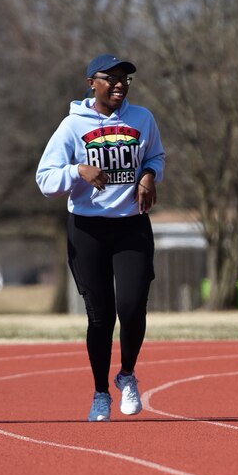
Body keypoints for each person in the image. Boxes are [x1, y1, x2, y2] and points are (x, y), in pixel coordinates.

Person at [36, 53, 165, 422]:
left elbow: (156, 156)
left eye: (125, 79)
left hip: (131, 225)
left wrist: (148, 176)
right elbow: (45, 180)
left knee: (132, 307)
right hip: (88, 229)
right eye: (111, 78)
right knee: (100, 317)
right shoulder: (71, 126)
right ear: (91, 82)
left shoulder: (143, 119)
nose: (120, 84)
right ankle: (99, 393)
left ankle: (126, 374)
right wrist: (77, 170)